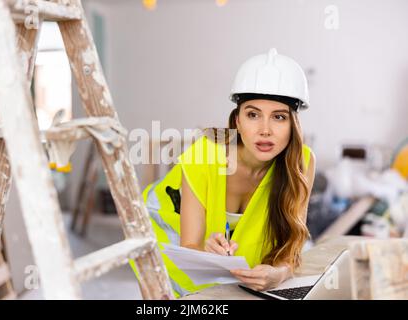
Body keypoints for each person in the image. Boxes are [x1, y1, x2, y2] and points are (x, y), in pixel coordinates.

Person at [131, 48, 316, 298]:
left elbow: (291, 246)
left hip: (207, 254)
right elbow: (190, 245)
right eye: (253, 114)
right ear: (237, 121)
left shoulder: (302, 161)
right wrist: (207, 253)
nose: (265, 130)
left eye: (279, 117)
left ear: (293, 124)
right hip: (163, 227)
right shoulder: (205, 152)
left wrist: (279, 274)